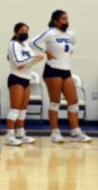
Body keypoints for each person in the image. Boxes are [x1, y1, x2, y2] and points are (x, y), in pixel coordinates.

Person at [30, 10, 92, 143]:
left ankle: (75, 132)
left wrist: (70, 52)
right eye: (63, 19)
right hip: (52, 70)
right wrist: (45, 51)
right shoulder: (50, 33)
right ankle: (55, 132)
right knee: (55, 102)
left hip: (66, 70)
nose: (66, 21)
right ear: (56, 21)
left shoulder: (70, 33)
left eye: (67, 18)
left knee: (73, 102)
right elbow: (32, 42)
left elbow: (74, 44)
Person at [5, 23, 44, 146]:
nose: (25, 33)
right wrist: (34, 59)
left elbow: (28, 62)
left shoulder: (26, 45)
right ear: (16, 32)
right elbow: (18, 63)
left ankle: (20, 133)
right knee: (15, 109)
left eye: (26, 31)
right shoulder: (13, 44)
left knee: (23, 109)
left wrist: (35, 59)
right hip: (16, 78)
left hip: (26, 79)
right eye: (22, 31)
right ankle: (10, 135)